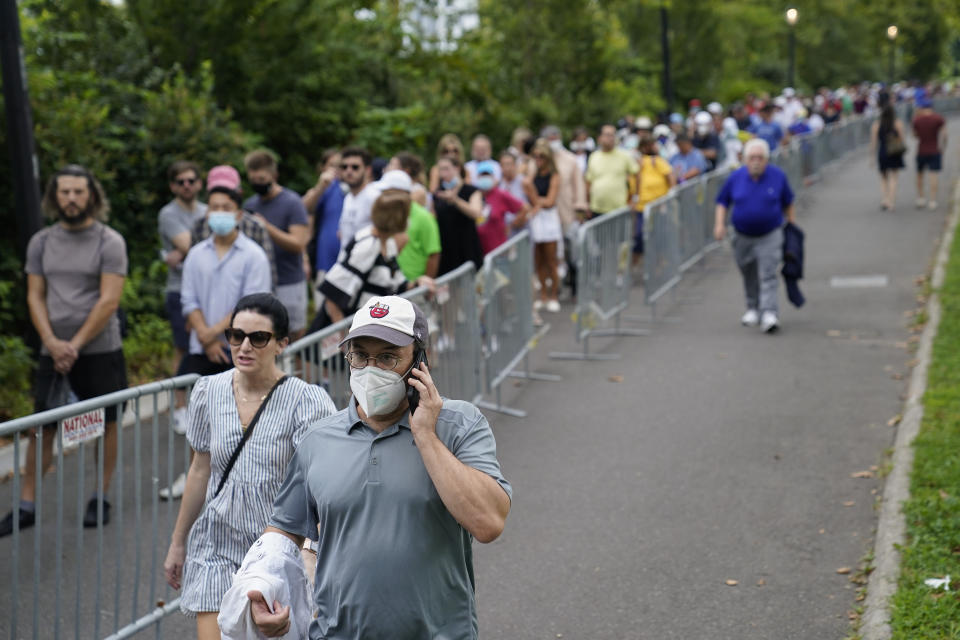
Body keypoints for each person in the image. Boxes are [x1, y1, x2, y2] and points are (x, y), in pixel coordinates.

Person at [245, 295, 512, 639]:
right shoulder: (318, 439)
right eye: (360, 355)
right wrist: (262, 588)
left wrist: (426, 436)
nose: (370, 369)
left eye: (387, 357)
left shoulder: (459, 424)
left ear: (419, 362)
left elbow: (488, 523)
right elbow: (284, 530)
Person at [163, 293, 335, 640]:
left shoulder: (307, 401)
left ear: (282, 344)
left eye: (258, 338)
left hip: (276, 550)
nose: (244, 346)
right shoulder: (207, 391)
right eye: (235, 335)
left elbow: (320, 486)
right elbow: (200, 470)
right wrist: (178, 542)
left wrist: (310, 553)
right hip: (216, 545)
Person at [1, 165, 128, 537]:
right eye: (64, 192)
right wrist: (53, 342)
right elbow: (34, 295)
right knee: (42, 427)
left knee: (107, 423)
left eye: (78, 192)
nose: (71, 198)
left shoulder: (110, 241)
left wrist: (74, 344)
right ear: (55, 197)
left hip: (101, 350)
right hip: (52, 351)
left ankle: (99, 496)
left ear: (92, 196)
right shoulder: (41, 242)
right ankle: (25, 504)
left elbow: (108, 301)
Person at [179, 173, 272, 377]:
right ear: (207, 213)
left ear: (238, 214)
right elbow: (188, 299)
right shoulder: (195, 255)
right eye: (214, 208)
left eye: (226, 208)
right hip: (201, 348)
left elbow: (251, 305)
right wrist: (206, 337)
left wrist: (212, 334)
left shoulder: (254, 255)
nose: (219, 213)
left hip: (242, 351)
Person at [308, 190, 434, 332]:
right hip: (346, 338)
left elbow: (396, 285)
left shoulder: (388, 243)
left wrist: (418, 282)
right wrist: (347, 342)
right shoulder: (368, 245)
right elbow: (333, 296)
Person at [714, 138, 796, 333]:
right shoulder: (736, 177)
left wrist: (791, 225)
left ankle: (769, 312)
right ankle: (753, 307)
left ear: (767, 159)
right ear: (745, 159)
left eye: (760, 157)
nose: (756, 161)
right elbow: (722, 201)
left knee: (768, 273)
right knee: (748, 271)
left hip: (770, 233)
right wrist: (719, 224)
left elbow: (789, 201)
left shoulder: (777, 176)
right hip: (742, 234)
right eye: (752, 157)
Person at [158, 160, 208, 434]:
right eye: (181, 182)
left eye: (191, 180)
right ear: (173, 186)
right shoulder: (168, 214)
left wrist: (185, 252)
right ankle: (179, 407)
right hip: (180, 289)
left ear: (199, 183)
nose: (186, 185)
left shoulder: (206, 210)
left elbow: (193, 248)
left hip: (209, 289)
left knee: (208, 344)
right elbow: (191, 245)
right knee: (183, 348)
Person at [243, 150, 310, 340]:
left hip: (289, 281)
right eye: (253, 179)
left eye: (262, 178)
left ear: (274, 175)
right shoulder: (250, 204)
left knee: (294, 336)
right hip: (260, 284)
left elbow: (298, 243)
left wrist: (267, 227)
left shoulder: (292, 202)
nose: (258, 183)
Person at [192, 166, 278, 291]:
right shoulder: (199, 226)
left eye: (228, 192)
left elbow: (269, 275)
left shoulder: (255, 226)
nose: (223, 196)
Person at [387, 158, 442, 281]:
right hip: (390, 284)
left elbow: (433, 254)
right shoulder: (385, 214)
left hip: (413, 288)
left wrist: (423, 286)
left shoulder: (423, 216)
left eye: (389, 190)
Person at [629, 135, 676, 267]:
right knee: (639, 236)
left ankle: (659, 265)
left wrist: (669, 197)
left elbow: (670, 177)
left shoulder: (658, 161)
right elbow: (633, 184)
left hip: (658, 206)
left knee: (658, 237)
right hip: (641, 207)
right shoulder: (638, 163)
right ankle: (635, 264)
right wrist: (633, 199)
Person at [301, 148, 343, 296]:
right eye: (332, 165)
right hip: (325, 263)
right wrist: (322, 185)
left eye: (341, 165)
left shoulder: (350, 188)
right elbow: (303, 209)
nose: (337, 170)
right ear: (323, 167)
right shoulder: (323, 189)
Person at [433, 156, 484, 275]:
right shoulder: (438, 193)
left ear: (457, 169)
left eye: (446, 169)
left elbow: (476, 213)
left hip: (467, 249)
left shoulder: (471, 191)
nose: (443, 174)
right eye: (440, 170)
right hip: (447, 252)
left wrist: (455, 200)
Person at [529, 140, 564, 312]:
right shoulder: (533, 175)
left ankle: (553, 295)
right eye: (535, 156)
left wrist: (536, 200)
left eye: (541, 156)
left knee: (551, 260)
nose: (538, 159)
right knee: (539, 259)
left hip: (549, 219)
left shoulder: (554, 176)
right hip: (536, 219)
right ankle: (543, 294)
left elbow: (550, 201)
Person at [585, 123, 639, 218]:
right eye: (608, 135)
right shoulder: (594, 156)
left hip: (619, 210)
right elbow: (589, 182)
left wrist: (635, 198)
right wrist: (587, 203)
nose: (611, 138)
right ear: (599, 138)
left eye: (613, 135)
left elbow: (637, 175)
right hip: (596, 209)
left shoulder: (624, 155)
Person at [475, 160, 527, 255]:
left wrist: (512, 226)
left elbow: (523, 208)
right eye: (482, 175)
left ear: (493, 177)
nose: (484, 178)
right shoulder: (474, 195)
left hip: (498, 250)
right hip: (479, 250)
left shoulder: (500, 194)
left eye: (487, 175)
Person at [336, 147, 380, 246]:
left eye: (355, 167)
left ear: (368, 170)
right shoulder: (348, 197)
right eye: (344, 167)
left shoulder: (374, 197)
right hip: (346, 259)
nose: (349, 171)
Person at [912, 96, 947, 210]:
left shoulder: (917, 119)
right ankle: (932, 200)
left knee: (920, 175)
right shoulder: (938, 118)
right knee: (934, 175)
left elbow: (915, 135)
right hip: (934, 149)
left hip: (921, 150)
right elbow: (945, 134)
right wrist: (943, 147)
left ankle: (921, 198)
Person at [870, 102, 907, 210]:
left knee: (883, 178)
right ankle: (891, 202)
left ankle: (885, 199)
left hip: (882, 152)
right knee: (894, 178)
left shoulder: (876, 124)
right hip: (894, 151)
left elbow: (873, 142)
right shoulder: (897, 123)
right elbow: (902, 138)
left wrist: (872, 157)